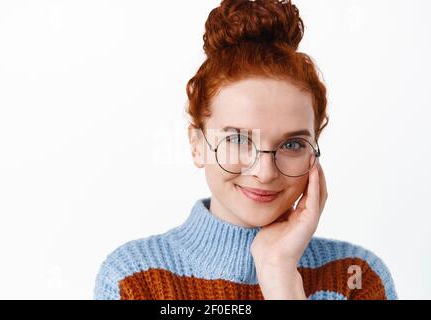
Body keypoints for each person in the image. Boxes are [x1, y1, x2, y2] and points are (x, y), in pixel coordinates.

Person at [94, 0, 397, 300]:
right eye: (238, 139)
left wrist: (279, 274)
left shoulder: (355, 277)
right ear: (197, 145)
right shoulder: (134, 279)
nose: (264, 173)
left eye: (292, 144)